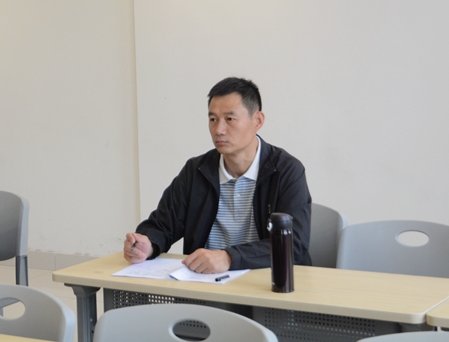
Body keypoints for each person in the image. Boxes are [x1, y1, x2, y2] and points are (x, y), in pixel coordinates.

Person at [124, 77, 311, 273]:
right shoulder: (196, 171)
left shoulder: (286, 171)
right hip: (206, 283)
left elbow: (293, 244)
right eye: (213, 119)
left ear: (257, 121)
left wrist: (230, 257)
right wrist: (148, 243)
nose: (219, 130)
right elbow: (163, 225)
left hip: (268, 281)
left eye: (230, 119)